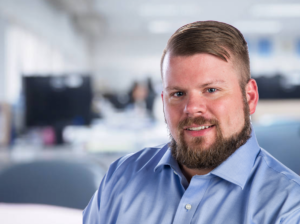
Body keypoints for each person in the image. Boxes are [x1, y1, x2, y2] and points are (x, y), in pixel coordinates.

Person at [83, 21, 300, 224]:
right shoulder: (121, 178)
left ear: (250, 97)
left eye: (211, 90)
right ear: (163, 102)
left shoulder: (289, 206)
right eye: (178, 93)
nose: (192, 108)